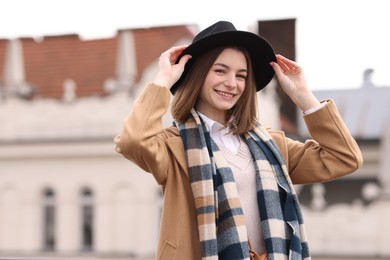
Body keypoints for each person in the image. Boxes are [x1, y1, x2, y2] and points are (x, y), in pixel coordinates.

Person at [114, 21, 363, 260]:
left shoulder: (271, 146)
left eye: (241, 75)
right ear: (198, 75)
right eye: (220, 71)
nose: (231, 83)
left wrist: (302, 95)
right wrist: (164, 80)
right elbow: (133, 140)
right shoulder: (174, 147)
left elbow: (344, 158)